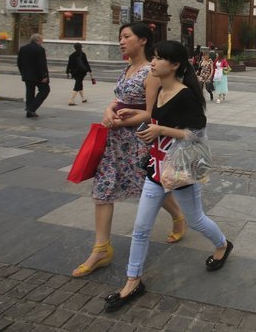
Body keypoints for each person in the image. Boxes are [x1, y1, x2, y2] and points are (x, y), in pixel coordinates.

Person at [104, 40, 232, 312]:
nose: (153, 62)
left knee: (196, 220)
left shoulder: (185, 95)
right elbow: (155, 120)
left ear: (175, 65)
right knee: (140, 228)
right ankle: (133, 280)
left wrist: (161, 130)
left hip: (181, 169)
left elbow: (196, 135)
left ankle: (222, 244)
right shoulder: (159, 89)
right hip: (157, 167)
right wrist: (137, 116)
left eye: (160, 58)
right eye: (154, 57)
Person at [72, 23, 186, 278]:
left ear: (143, 40)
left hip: (138, 142)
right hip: (114, 142)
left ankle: (179, 216)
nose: (121, 42)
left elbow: (150, 113)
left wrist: (121, 120)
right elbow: (117, 99)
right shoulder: (126, 69)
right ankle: (101, 248)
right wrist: (107, 111)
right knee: (103, 189)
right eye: (120, 37)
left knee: (151, 186)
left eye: (126, 37)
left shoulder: (150, 72)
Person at [17, 34, 49, 118]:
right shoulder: (40, 49)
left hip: (27, 75)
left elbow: (19, 62)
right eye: (42, 40)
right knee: (45, 90)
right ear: (38, 40)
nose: (42, 42)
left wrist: (22, 72)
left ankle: (29, 113)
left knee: (30, 93)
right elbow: (42, 64)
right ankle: (31, 108)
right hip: (38, 76)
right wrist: (44, 76)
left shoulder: (23, 48)